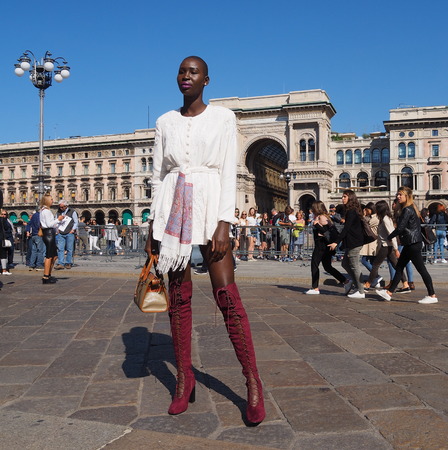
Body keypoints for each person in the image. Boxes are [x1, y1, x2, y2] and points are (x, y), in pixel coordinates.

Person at [144, 56, 265, 424]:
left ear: (207, 80)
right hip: (172, 209)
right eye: (181, 71)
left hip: (211, 206)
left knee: (227, 296)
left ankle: (252, 381)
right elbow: (158, 175)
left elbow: (229, 169)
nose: (185, 76)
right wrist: (153, 222)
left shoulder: (224, 118)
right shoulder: (164, 121)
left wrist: (225, 222)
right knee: (178, 300)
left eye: (193, 72)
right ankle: (184, 378)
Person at [376, 186, 438, 304]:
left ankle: (432, 295)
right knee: (399, 267)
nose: (398, 196)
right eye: (397, 194)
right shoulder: (411, 208)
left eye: (400, 195)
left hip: (412, 243)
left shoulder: (407, 210)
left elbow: (400, 228)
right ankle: (389, 293)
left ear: (407, 196)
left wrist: (389, 237)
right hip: (413, 243)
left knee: (420, 269)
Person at [364, 200, 409, 292]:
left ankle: (368, 284)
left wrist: (396, 249)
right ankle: (405, 284)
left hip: (386, 246)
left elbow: (392, 234)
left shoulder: (385, 219)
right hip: (387, 245)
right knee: (396, 265)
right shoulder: (384, 218)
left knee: (376, 265)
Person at [328, 189, 365, 298]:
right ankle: (355, 283)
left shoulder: (352, 211)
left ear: (350, 198)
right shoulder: (350, 210)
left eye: (345, 196)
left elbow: (346, 228)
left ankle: (361, 290)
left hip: (354, 241)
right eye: (342, 196)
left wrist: (336, 242)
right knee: (345, 264)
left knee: (354, 266)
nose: (342, 198)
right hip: (351, 242)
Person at [306, 201, 347, 294]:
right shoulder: (325, 216)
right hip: (325, 244)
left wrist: (316, 224)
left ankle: (315, 287)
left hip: (321, 244)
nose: (312, 210)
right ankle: (345, 280)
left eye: (313, 208)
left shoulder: (321, 217)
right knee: (327, 267)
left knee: (314, 264)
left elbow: (326, 230)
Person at [40, 194, 64, 284]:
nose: (52, 201)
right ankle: (46, 276)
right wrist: (58, 219)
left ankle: (48, 274)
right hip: (49, 233)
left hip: (50, 233)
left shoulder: (44, 211)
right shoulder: (46, 211)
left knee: (54, 255)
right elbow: (49, 224)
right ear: (46, 201)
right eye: (51, 199)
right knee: (49, 256)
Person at [55, 199, 78, 269]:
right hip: (60, 233)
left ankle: (68, 263)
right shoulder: (58, 212)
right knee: (60, 248)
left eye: (62, 207)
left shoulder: (72, 211)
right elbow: (55, 221)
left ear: (66, 206)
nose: (61, 208)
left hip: (69, 233)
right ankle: (60, 263)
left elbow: (76, 221)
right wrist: (56, 229)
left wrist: (73, 230)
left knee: (69, 249)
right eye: (60, 207)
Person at [360, 202, 379, 278]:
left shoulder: (375, 218)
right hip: (371, 242)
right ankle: (375, 279)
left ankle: (377, 276)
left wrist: (363, 215)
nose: (366, 211)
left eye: (367, 210)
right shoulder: (371, 217)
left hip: (372, 242)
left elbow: (365, 224)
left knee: (364, 260)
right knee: (372, 262)